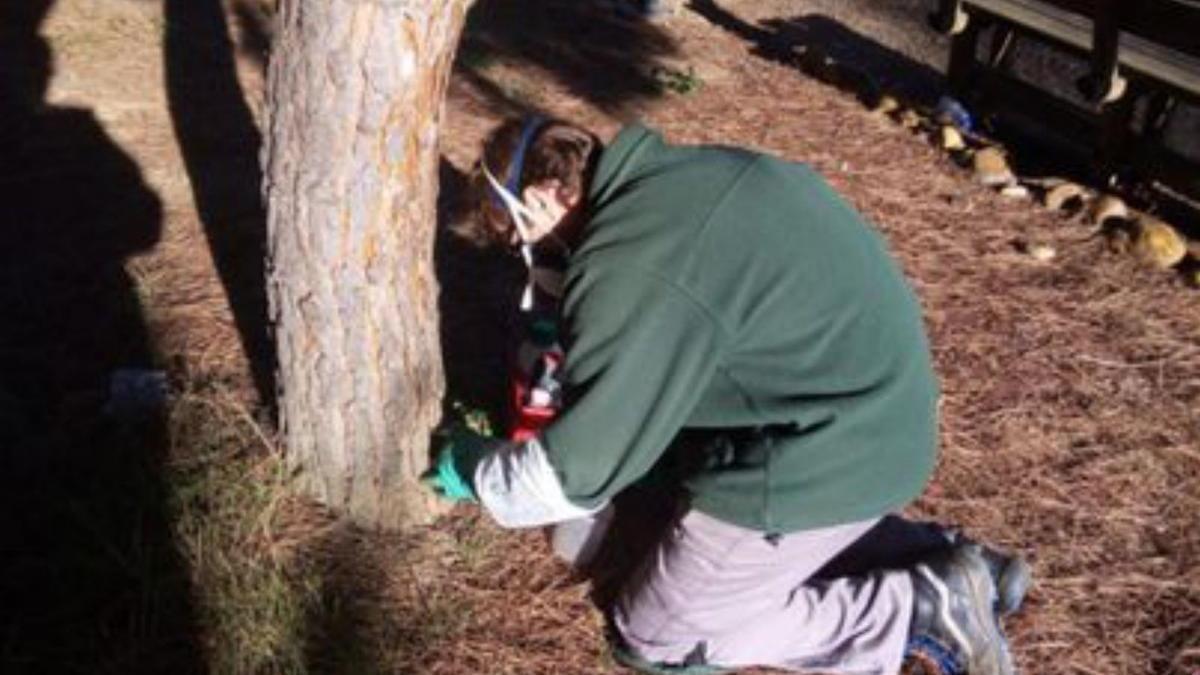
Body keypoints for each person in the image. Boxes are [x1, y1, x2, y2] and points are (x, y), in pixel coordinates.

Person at [426, 115, 1030, 675]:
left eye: (519, 240)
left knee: (656, 634)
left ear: (540, 199)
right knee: (660, 482)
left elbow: (568, 476)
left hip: (831, 448)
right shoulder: (678, 177)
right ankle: (944, 556)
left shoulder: (631, 269)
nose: (530, 260)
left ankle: (918, 609)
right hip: (876, 410)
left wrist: (476, 467)